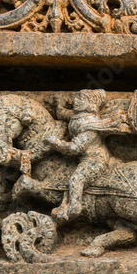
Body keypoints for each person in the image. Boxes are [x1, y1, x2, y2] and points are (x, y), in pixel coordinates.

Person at [47, 89, 121, 221]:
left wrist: (56, 143)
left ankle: (74, 208)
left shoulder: (91, 125)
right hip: (82, 158)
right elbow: (63, 114)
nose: (76, 100)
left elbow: (75, 148)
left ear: (91, 104)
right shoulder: (79, 117)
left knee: (77, 179)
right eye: (77, 97)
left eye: (82, 99)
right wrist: (58, 103)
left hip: (95, 160)